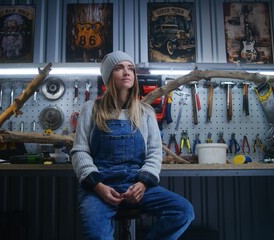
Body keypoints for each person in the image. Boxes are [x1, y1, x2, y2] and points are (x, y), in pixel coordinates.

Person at [70, 50, 195, 239]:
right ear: (108, 76)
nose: (127, 72)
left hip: (135, 184)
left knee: (183, 211)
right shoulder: (91, 109)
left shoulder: (145, 112)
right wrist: (98, 186)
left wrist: (143, 183)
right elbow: (80, 151)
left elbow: (154, 152)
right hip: (100, 186)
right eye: (119, 68)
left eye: (131, 69)